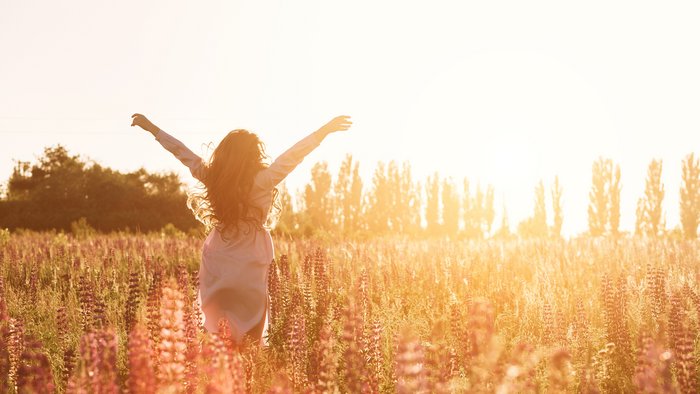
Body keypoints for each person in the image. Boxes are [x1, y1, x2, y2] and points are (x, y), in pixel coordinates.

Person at [130, 113, 352, 344]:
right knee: (252, 314)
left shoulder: (213, 177)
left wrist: (153, 129)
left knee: (216, 316)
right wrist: (324, 131)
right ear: (252, 155)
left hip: (220, 250)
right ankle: (249, 363)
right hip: (251, 253)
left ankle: (219, 364)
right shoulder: (263, 179)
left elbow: (182, 152)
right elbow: (293, 156)